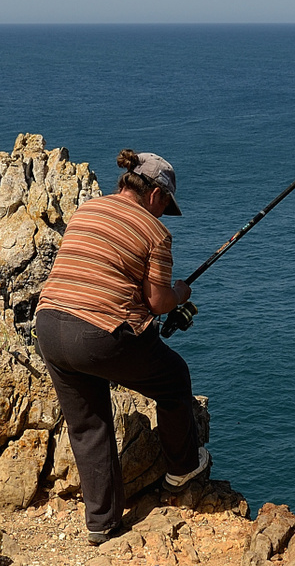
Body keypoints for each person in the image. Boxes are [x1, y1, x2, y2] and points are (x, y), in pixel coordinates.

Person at [35, 148, 210, 545]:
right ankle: (182, 467)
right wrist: (180, 292)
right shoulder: (154, 232)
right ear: (155, 195)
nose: (165, 213)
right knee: (173, 378)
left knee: (88, 425)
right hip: (98, 335)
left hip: (49, 324)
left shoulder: (88, 209)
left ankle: (102, 523)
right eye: (166, 203)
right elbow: (158, 303)